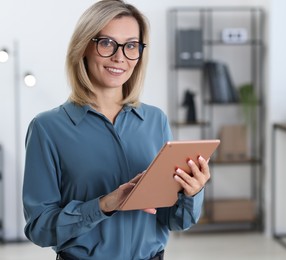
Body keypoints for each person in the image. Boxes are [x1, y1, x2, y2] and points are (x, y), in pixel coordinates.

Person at [22, 1, 211, 259]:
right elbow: (39, 229)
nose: (120, 56)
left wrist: (193, 192)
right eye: (107, 43)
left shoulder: (156, 121)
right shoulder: (47, 128)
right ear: (84, 47)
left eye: (131, 45)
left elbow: (175, 221)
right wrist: (104, 204)